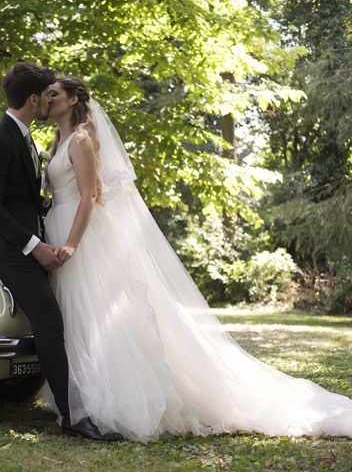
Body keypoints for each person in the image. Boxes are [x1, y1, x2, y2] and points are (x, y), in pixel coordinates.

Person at [42, 75, 352, 443]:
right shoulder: (56, 141)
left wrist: (74, 243)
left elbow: (91, 195)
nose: (48, 99)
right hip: (58, 228)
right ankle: (81, 397)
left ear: (74, 98)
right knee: (78, 317)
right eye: (46, 95)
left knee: (96, 312)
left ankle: (112, 399)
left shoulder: (80, 139)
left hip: (82, 235)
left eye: (54, 94)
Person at [0, 62, 121, 441]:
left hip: (35, 240)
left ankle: (75, 405)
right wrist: (36, 246)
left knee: (59, 319)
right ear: (34, 99)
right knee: (51, 320)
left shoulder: (27, 137)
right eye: (46, 97)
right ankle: (73, 415)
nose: (49, 103)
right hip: (7, 249)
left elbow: (26, 198)